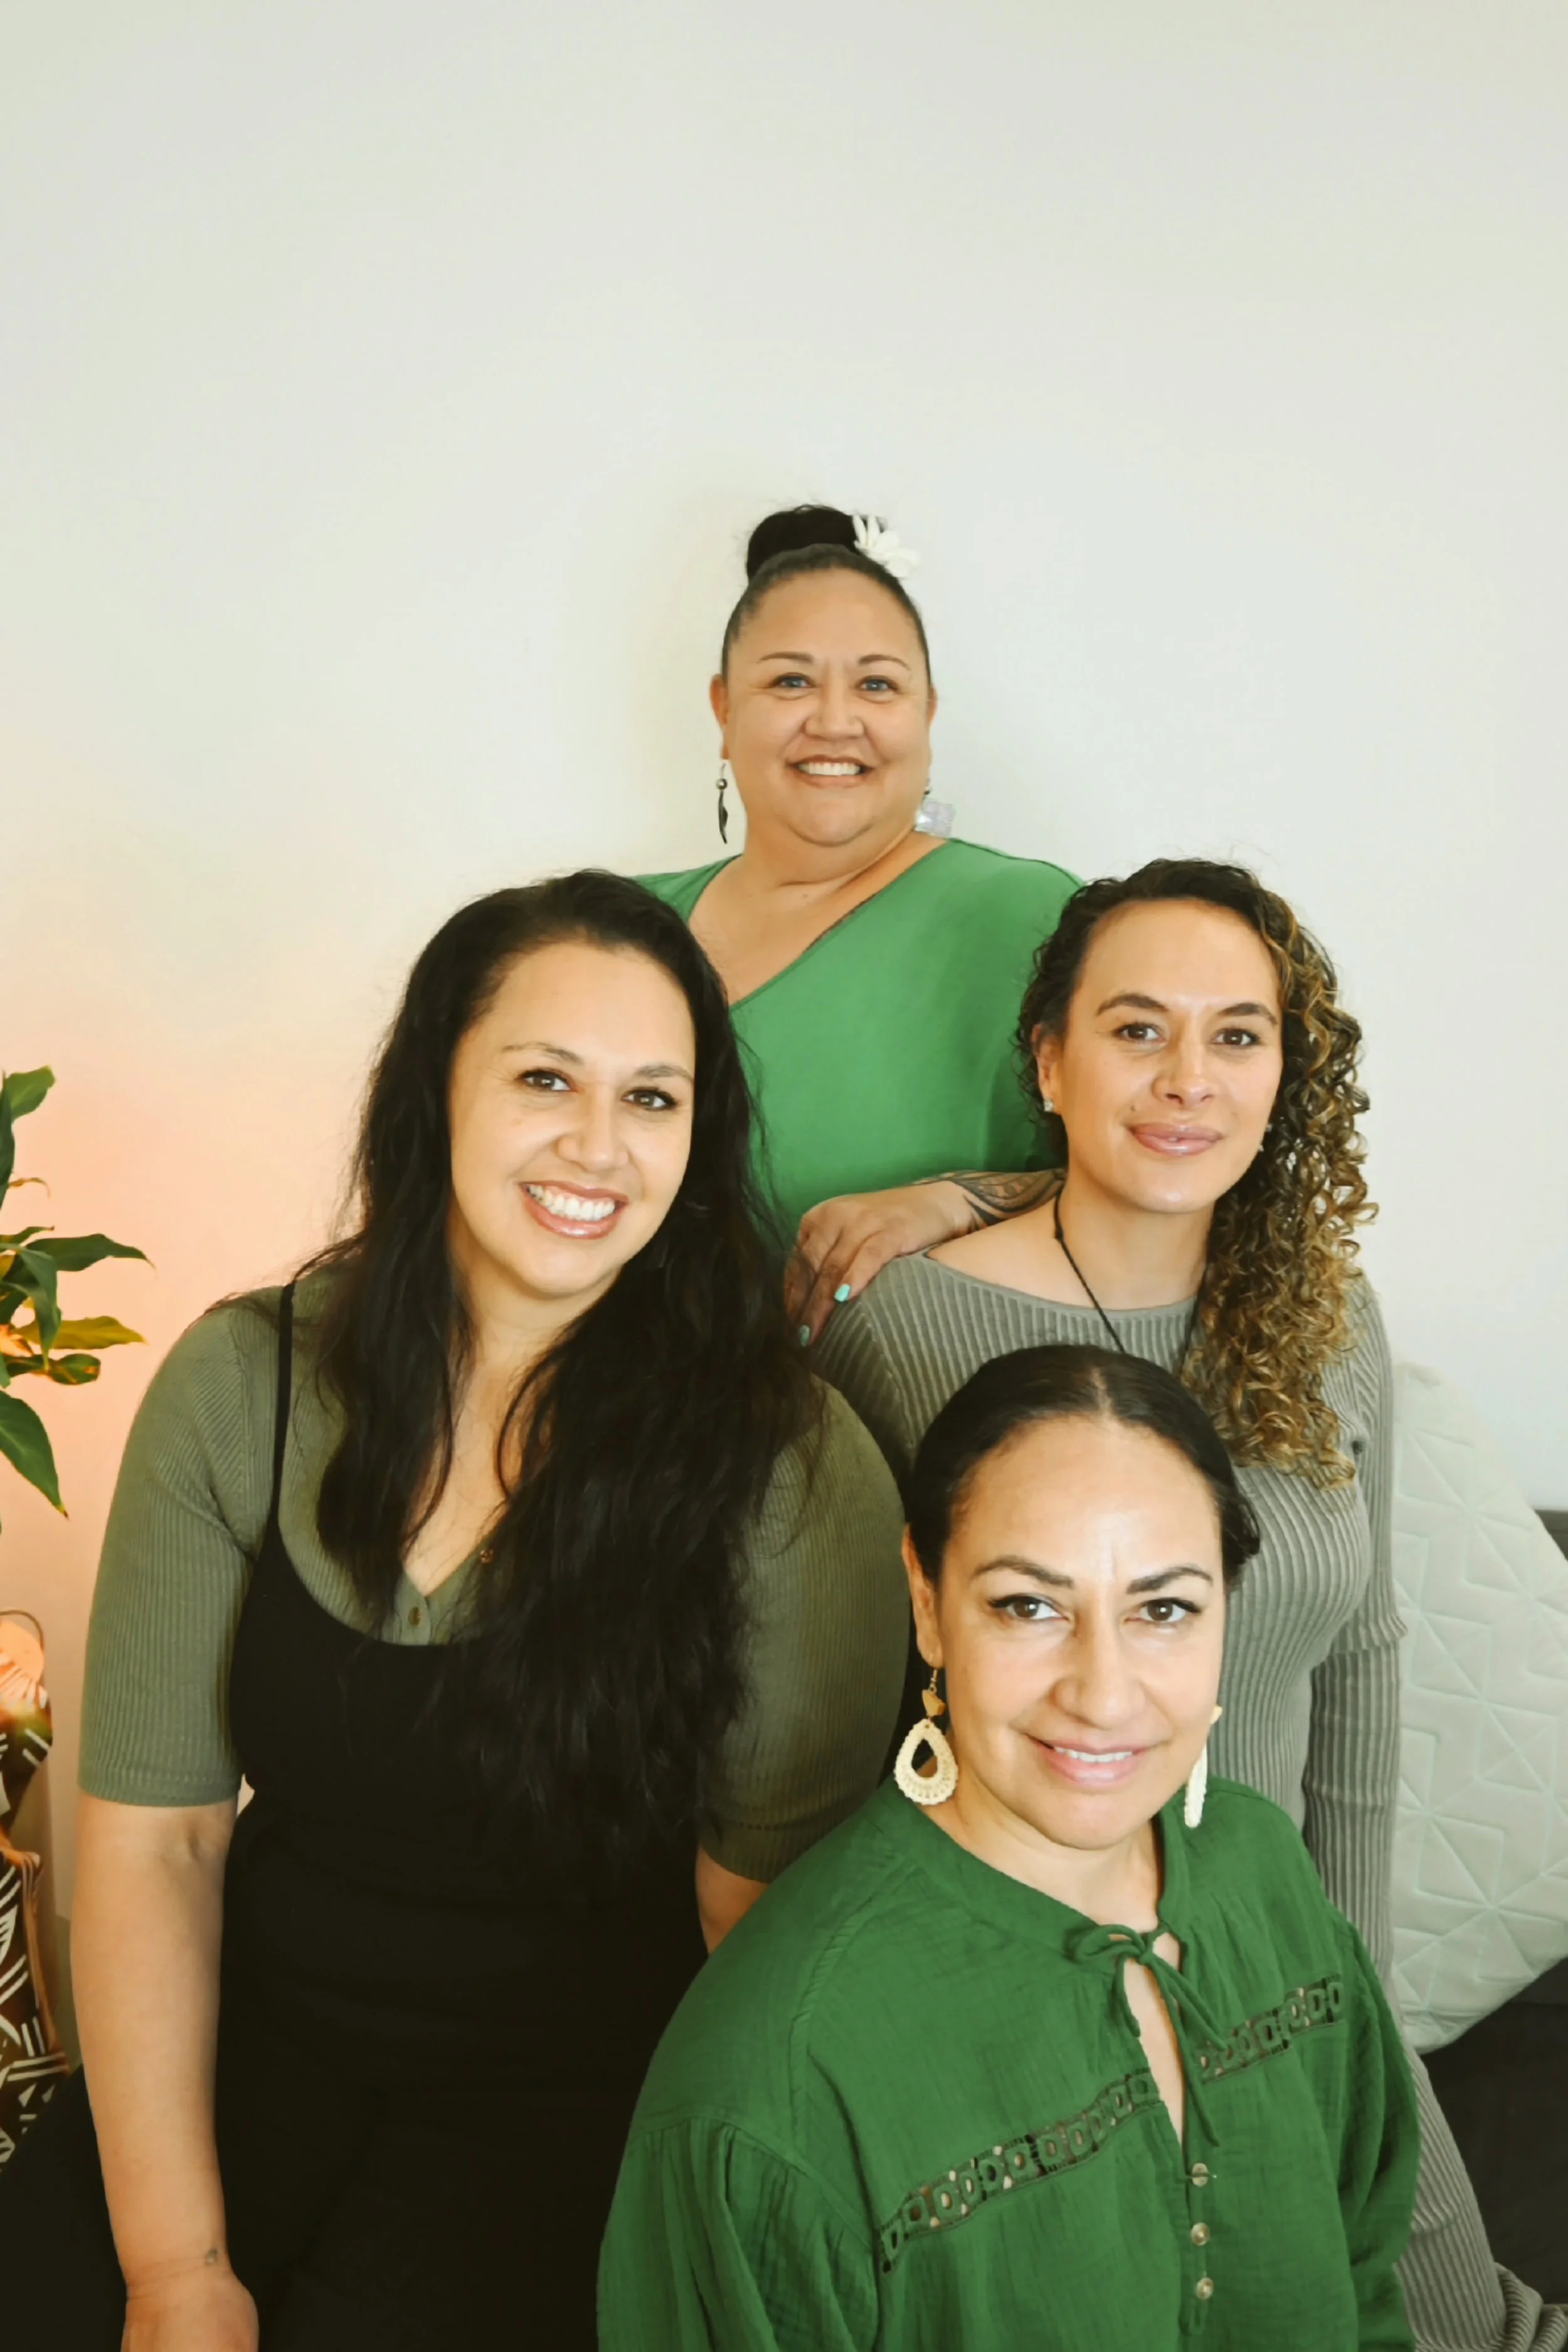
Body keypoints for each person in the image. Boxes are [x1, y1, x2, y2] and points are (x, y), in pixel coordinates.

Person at [0, 874, 908, 2351]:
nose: (596, 1148)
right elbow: (158, 1844)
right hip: (251, 2045)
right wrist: (175, 2270)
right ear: (435, 1089)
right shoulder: (243, 1384)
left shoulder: (789, 1471)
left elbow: (761, 1959)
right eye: (544, 1078)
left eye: (652, 1099)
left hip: (570, 2112)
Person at [814, 857, 1565, 2352]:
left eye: (1237, 1035)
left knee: (1452, 2318)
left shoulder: (1325, 1315)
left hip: (1280, 1956)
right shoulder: (907, 1325)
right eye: (1134, 1028)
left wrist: (1349, 1990)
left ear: (1286, 1074)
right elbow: (845, 1699)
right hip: (1033, 1986)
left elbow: (1359, 1661)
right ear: (1048, 1057)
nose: (1185, 1078)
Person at [600, 1344, 1421, 2349]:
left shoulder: (1266, 1871)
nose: (1104, 1692)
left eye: (1164, 1608)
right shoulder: (773, 2081)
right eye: (1028, 1605)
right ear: (927, 1603)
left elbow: (1368, 2280)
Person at [640, 504, 1079, 1339]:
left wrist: (948, 1205)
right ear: (723, 709)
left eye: (877, 683)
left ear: (928, 711)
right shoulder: (618, 928)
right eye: (791, 681)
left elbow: (1174, 1175)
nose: (835, 722)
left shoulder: (1036, 919)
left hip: (930, 1440)